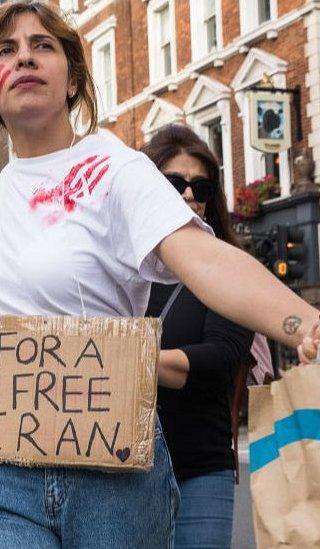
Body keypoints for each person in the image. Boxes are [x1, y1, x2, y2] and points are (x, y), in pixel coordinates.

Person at [0, 3, 320, 546]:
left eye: (43, 46)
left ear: (72, 78)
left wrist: (305, 323)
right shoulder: (2, 191)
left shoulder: (112, 167)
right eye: (6, 50)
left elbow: (204, 259)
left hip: (107, 461)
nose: (24, 56)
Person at [140, 124, 255, 547]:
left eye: (201, 187)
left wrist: (126, 359)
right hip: (119, 473)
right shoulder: (120, 270)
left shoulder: (230, 268)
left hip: (200, 474)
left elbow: (219, 359)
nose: (189, 195)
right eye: (174, 184)